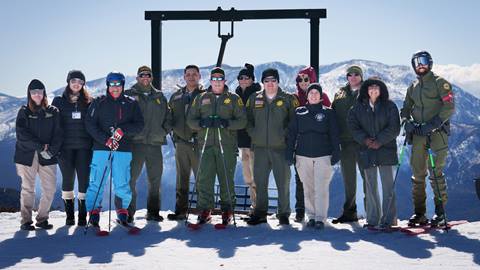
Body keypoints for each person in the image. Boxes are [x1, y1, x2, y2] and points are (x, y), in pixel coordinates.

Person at [401, 51, 455, 227]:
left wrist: (432, 125)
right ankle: (420, 213)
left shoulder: (440, 83)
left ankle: (440, 213)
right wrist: (406, 122)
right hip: (418, 136)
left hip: (436, 134)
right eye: (416, 63)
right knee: (418, 175)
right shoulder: (413, 86)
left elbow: (449, 107)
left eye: (423, 61)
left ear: (430, 63)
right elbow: (406, 108)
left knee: (436, 173)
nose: (420, 65)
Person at [187, 67, 247, 226]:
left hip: (226, 145)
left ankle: (227, 210)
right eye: (214, 79)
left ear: (225, 81)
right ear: (210, 80)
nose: (217, 82)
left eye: (220, 79)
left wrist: (227, 123)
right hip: (205, 144)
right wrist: (201, 123)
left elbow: (242, 121)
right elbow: (190, 120)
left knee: (226, 178)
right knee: (205, 178)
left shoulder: (233, 99)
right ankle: (205, 210)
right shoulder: (201, 98)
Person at [85, 72, 144, 226]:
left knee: (122, 180)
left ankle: (122, 209)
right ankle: (93, 211)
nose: (115, 87)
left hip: (123, 148)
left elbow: (139, 124)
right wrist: (106, 139)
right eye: (112, 84)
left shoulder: (131, 103)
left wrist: (123, 130)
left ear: (123, 85)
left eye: (118, 84)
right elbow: (90, 124)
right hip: (101, 148)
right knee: (97, 180)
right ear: (108, 85)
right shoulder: (99, 102)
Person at [245, 68, 299, 226]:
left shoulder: (288, 99)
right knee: (260, 182)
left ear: (278, 82)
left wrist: (284, 134)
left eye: (273, 80)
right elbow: (247, 119)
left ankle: (283, 213)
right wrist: (253, 133)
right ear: (262, 82)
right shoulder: (254, 98)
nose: (270, 84)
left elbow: (294, 121)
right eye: (266, 81)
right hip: (259, 147)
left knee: (283, 182)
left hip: (280, 148)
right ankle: (261, 212)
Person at [347, 77, 400, 228]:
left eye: (377, 87)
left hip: (386, 151)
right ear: (366, 90)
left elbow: (394, 127)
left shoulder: (390, 106)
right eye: (370, 87)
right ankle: (372, 219)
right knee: (370, 187)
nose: (373, 90)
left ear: (382, 90)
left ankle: (389, 220)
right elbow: (353, 127)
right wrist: (365, 140)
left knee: (388, 187)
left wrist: (380, 141)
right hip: (367, 151)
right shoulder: (357, 108)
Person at [286, 83, 340, 229]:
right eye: (311, 93)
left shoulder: (328, 113)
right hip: (302, 156)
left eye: (317, 93)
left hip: (323, 155)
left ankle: (320, 218)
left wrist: (336, 151)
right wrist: (289, 152)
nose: (314, 95)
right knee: (308, 187)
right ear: (307, 96)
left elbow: (334, 134)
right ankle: (311, 216)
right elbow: (291, 134)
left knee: (321, 187)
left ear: (321, 96)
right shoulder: (299, 112)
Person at [14, 79, 63, 230]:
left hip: (48, 155)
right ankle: (26, 220)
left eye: (39, 92)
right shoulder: (24, 112)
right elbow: (22, 134)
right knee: (28, 188)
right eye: (33, 92)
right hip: (27, 155)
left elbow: (59, 134)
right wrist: (41, 146)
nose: (37, 95)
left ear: (44, 93)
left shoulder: (53, 111)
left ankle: (42, 219)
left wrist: (51, 151)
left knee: (50, 188)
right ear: (29, 94)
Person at [125, 66, 170, 223]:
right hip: (135, 143)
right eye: (142, 75)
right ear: (137, 77)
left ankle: (153, 212)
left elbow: (168, 117)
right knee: (131, 178)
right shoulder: (129, 95)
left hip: (154, 144)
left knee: (155, 179)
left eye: (148, 75)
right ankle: (128, 212)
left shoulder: (159, 96)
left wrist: (163, 131)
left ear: (151, 78)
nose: (145, 77)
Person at [52, 70, 93, 226]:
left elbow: (94, 123)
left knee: (84, 182)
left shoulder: (89, 102)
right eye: (74, 80)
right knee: (68, 181)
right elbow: (53, 126)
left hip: (84, 148)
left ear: (83, 84)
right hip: (65, 148)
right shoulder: (58, 102)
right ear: (68, 82)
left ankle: (82, 215)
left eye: (80, 82)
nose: (77, 84)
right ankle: (70, 215)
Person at [293, 66, 331, 222]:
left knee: (319, 182)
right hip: (300, 147)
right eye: (300, 80)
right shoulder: (294, 98)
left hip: (320, 149)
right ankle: (301, 210)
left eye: (306, 79)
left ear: (312, 80)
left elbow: (330, 120)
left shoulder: (323, 97)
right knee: (301, 179)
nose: (303, 82)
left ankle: (319, 214)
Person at [167, 65, 205, 221]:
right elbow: (169, 116)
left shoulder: (205, 96)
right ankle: (180, 211)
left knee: (201, 179)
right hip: (181, 143)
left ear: (199, 76)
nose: (191, 77)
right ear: (184, 77)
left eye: (194, 74)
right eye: (188, 74)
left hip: (198, 143)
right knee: (181, 178)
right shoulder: (176, 96)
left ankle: (204, 211)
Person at [331, 65, 367, 224]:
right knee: (348, 179)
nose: (353, 77)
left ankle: (372, 212)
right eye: (350, 74)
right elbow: (333, 117)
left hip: (364, 142)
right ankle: (349, 212)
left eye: (356, 74)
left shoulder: (368, 91)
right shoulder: (340, 94)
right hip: (345, 143)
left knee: (368, 178)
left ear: (361, 76)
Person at [235, 63, 261, 215]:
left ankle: (258, 206)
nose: (244, 80)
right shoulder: (237, 95)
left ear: (252, 79)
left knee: (255, 174)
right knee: (247, 176)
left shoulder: (257, 95)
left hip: (254, 140)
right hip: (241, 140)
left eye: (247, 77)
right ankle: (254, 204)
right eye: (241, 78)